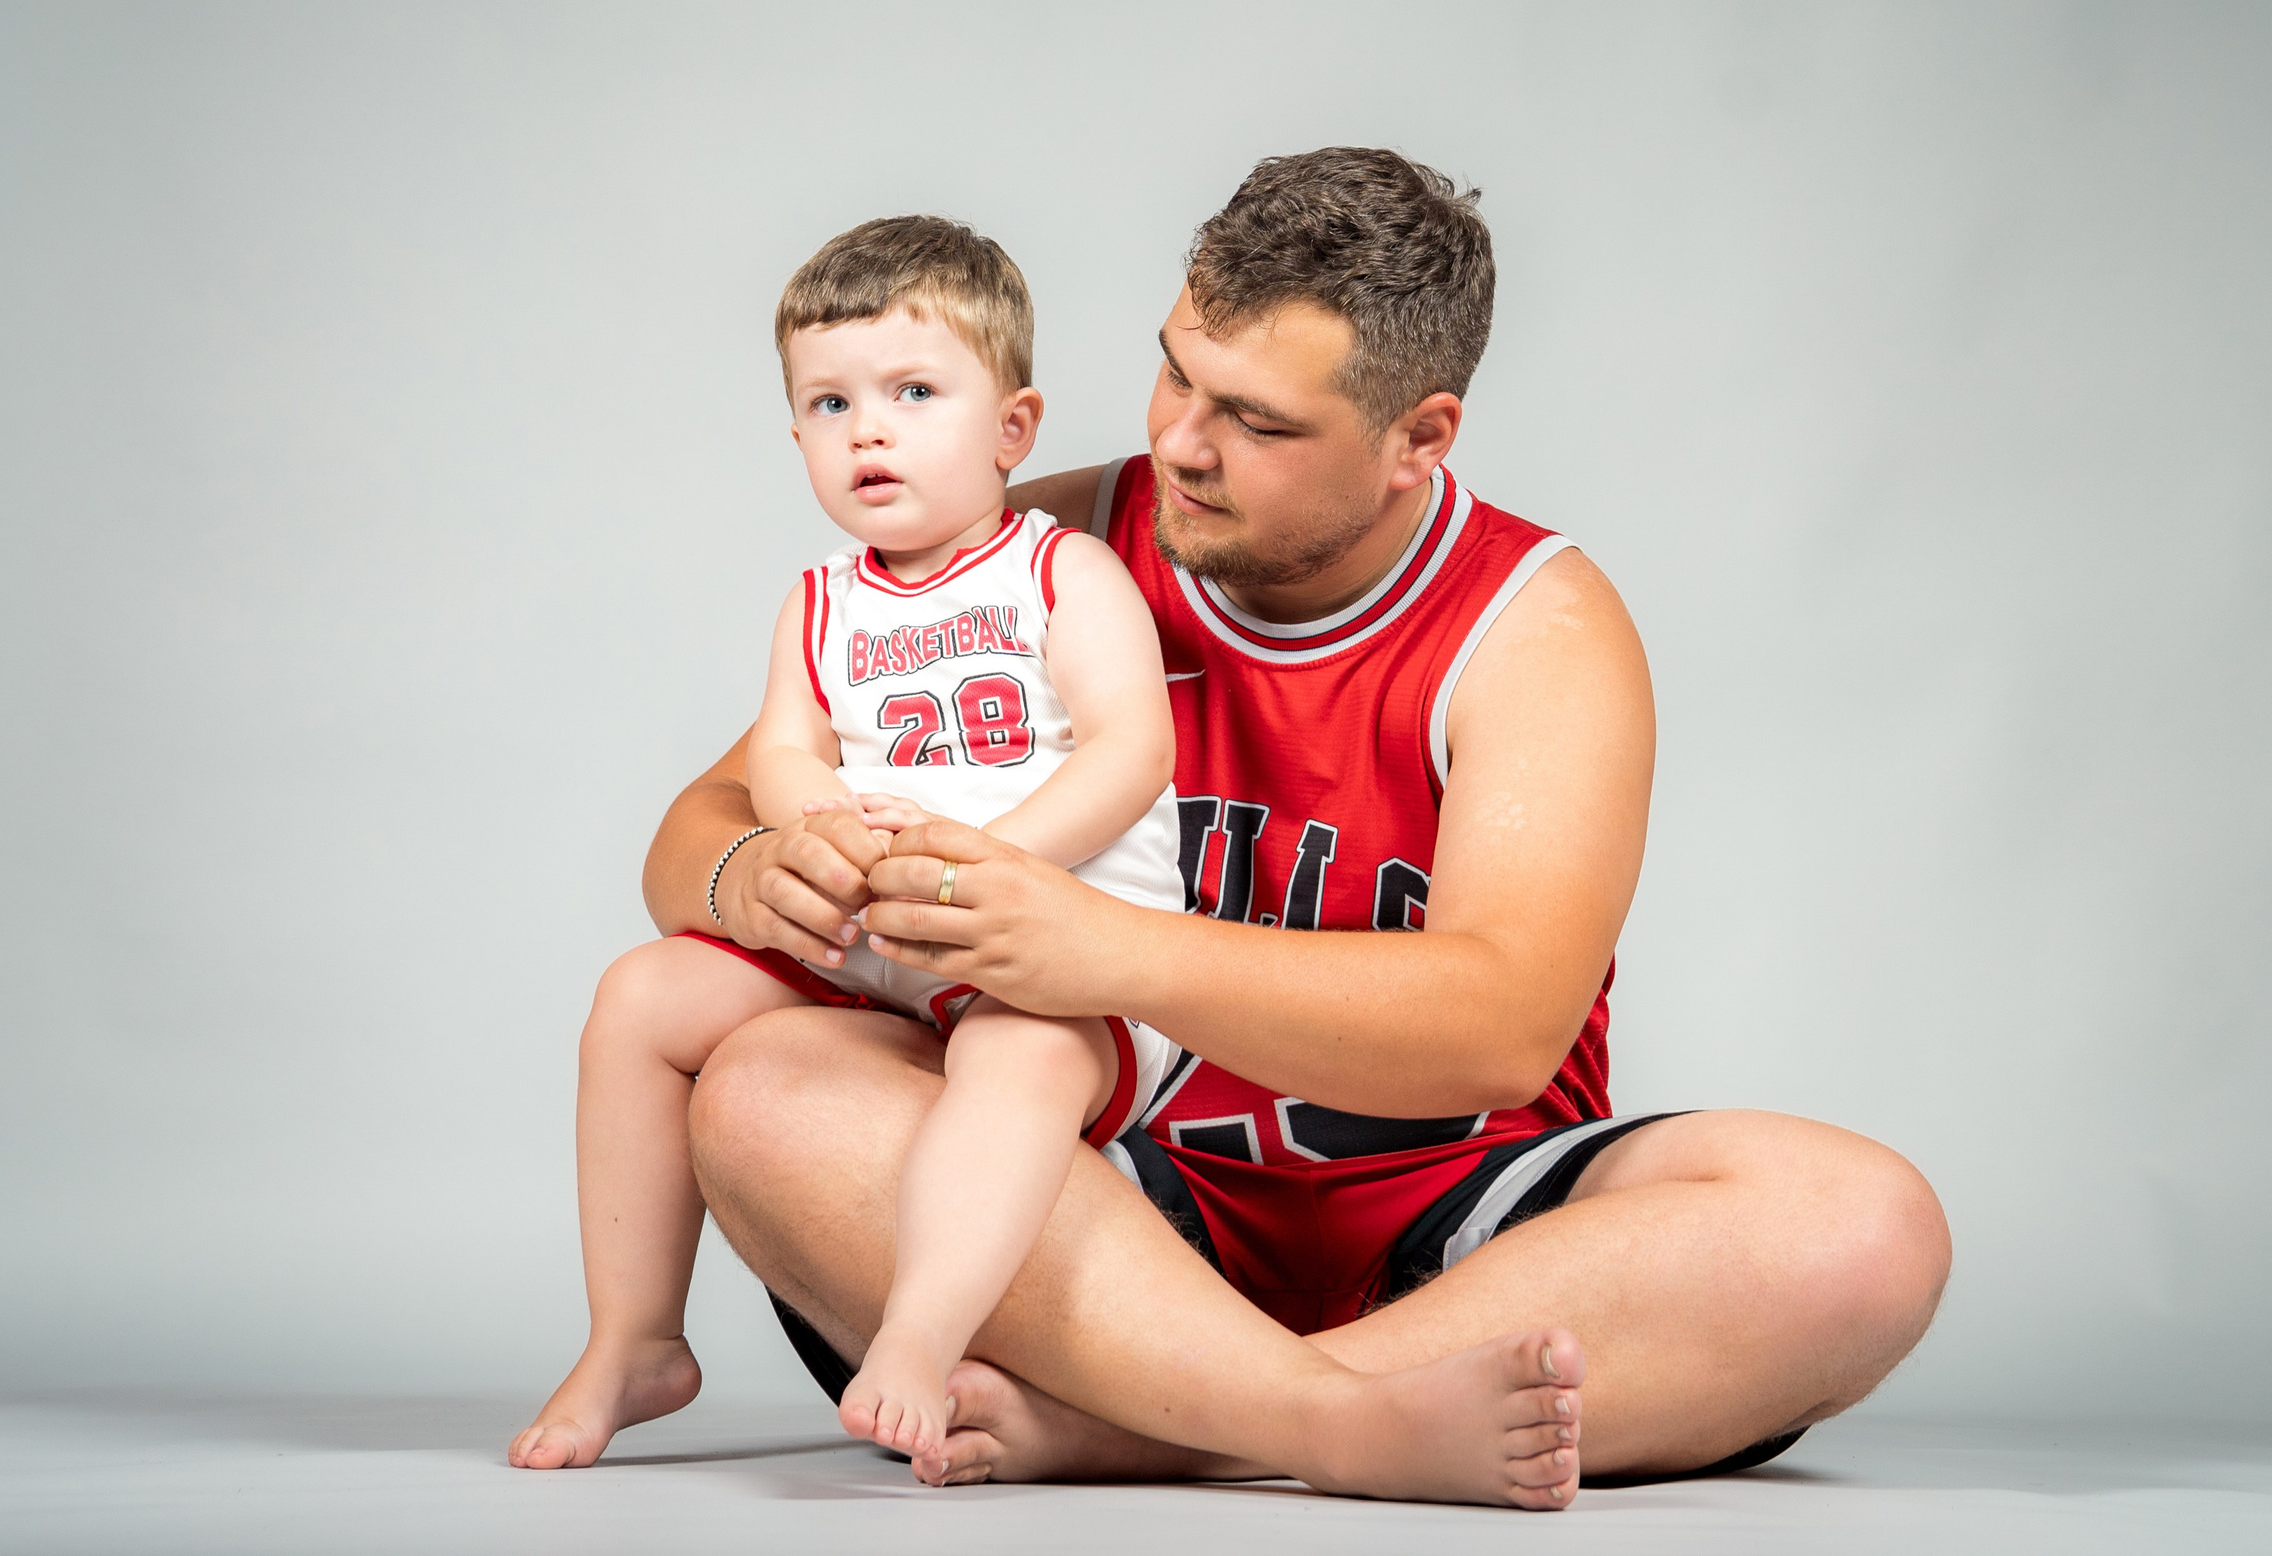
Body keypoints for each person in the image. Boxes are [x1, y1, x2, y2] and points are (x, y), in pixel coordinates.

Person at [650, 150, 1954, 1508]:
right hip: (1093, 1202)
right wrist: (752, 875)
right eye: (1176, 373)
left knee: (1859, 1230)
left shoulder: (1534, 625)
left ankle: (1162, 1429)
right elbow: (696, 830)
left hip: (1454, 1221)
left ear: (1419, 439)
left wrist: (1106, 949)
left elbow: (1504, 1025)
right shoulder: (1046, 548)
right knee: (765, 1089)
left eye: (1259, 423)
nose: (1180, 442)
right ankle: (1333, 1423)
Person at [513, 216, 1198, 1471]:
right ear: (796, 437)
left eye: (913, 392)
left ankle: (922, 1332)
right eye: (829, 403)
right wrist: (811, 830)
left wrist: (995, 863)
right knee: (643, 994)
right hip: (885, 941)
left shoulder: (1064, 570)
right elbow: (784, 751)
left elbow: (1129, 750)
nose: (867, 430)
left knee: (1019, 1058)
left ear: (1013, 427)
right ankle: (636, 1335)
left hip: (1048, 951)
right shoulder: (822, 601)